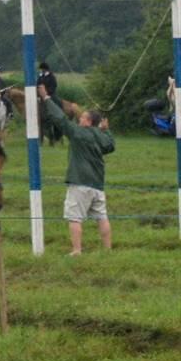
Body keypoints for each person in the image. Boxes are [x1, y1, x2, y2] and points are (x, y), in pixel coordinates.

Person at [38, 84, 114, 256]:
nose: (79, 119)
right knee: (102, 217)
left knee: (74, 217)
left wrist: (46, 98)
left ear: (88, 122)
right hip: (98, 184)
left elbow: (60, 119)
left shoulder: (78, 132)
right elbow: (110, 146)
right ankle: (107, 249)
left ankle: (77, 250)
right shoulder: (102, 136)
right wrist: (107, 130)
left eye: (83, 118)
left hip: (80, 182)